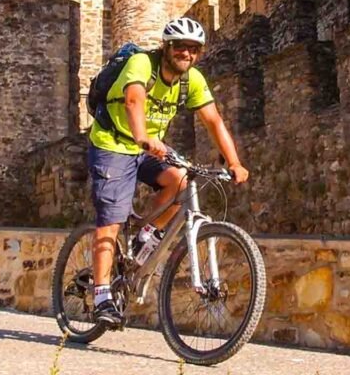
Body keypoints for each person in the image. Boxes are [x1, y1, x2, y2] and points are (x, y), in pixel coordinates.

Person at [87, 17, 250, 327]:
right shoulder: (141, 64)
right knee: (112, 221)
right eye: (179, 47)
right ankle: (101, 295)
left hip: (150, 147)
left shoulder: (193, 80)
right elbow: (134, 99)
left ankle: (145, 235)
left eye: (193, 49)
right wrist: (142, 136)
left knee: (180, 181)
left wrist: (234, 162)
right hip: (113, 144)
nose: (185, 54)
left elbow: (213, 121)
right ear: (166, 47)